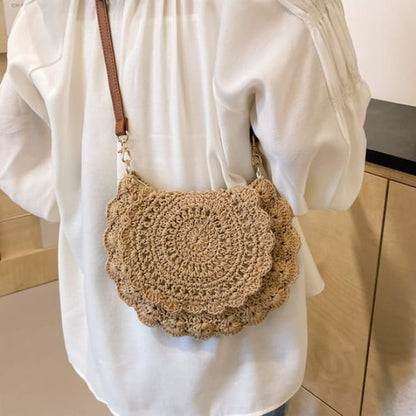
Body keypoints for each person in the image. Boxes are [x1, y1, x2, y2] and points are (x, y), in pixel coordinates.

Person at [0, 1, 370, 415]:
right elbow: (322, 172)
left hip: (117, 337)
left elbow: (19, 159)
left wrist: (90, 203)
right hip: (248, 358)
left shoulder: (46, 12)